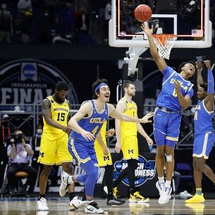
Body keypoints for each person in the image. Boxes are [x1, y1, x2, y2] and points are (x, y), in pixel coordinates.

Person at [59, 79, 153, 214]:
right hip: (76, 142)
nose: (107, 91)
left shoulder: (109, 108)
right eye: (104, 89)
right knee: (92, 172)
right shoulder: (88, 105)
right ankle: (90, 204)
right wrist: (83, 131)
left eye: (108, 89)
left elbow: (122, 117)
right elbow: (71, 121)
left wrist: (140, 120)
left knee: (94, 174)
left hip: (89, 145)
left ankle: (68, 178)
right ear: (97, 93)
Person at [141, 22, 196, 205]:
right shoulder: (170, 73)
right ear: (182, 67)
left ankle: (168, 184)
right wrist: (150, 35)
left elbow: (185, 105)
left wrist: (180, 92)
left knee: (170, 152)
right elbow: (156, 55)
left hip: (175, 116)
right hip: (161, 114)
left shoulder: (190, 87)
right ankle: (160, 181)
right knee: (161, 151)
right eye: (190, 66)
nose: (192, 68)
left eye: (194, 69)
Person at [185, 60, 215, 204]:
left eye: (200, 91)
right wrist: (198, 70)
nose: (198, 92)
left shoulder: (209, 101)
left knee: (201, 163)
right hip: (198, 136)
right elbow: (200, 83)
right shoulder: (199, 102)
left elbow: (210, 88)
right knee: (195, 164)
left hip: (206, 135)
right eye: (197, 91)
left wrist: (208, 69)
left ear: (206, 93)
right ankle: (198, 194)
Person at [37, 81, 76, 211]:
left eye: (66, 94)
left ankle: (72, 199)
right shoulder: (46, 102)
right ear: (56, 90)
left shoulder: (67, 103)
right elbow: (48, 120)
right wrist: (63, 127)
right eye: (62, 93)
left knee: (69, 167)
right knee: (47, 168)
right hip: (49, 137)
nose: (64, 96)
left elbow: (68, 121)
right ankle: (42, 198)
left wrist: (71, 130)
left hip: (63, 138)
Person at [113, 80, 153, 203]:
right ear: (125, 89)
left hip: (133, 137)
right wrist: (118, 141)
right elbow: (117, 121)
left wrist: (146, 137)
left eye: (134, 88)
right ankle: (133, 193)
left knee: (133, 165)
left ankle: (113, 186)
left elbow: (136, 123)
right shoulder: (121, 103)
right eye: (132, 88)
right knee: (131, 164)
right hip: (126, 137)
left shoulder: (134, 104)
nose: (134, 90)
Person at [6, 129, 37, 194]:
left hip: (24, 165)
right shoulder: (10, 146)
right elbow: (12, 157)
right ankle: (12, 189)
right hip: (14, 164)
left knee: (34, 172)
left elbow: (32, 153)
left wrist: (24, 145)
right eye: (17, 135)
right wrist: (14, 146)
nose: (19, 137)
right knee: (10, 172)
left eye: (20, 135)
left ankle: (27, 188)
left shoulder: (27, 145)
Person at [0, 114, 12, 190]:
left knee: (11, 171)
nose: (6, 121)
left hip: (10, 153)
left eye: (7, 119)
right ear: (1, 120)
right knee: (1, 171)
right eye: (4, 119)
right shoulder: (0, 129)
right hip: (1, 154)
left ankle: (9, 188)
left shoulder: (11, 129)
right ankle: (1, 187)